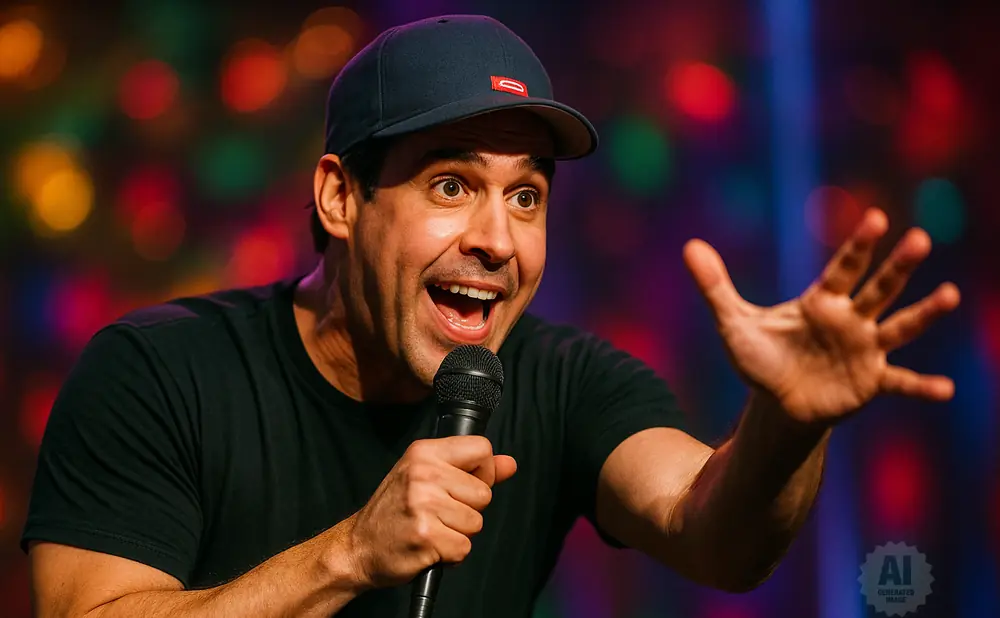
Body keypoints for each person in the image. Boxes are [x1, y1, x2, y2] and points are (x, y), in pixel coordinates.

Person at [22, 14, 960, 618]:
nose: (497, 240)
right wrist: (348, 554)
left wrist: (788, 421)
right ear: (341, 198)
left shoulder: (566, 379)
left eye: (525, 197)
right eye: (450, 184)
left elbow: (716, 535)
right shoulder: (157, 372)